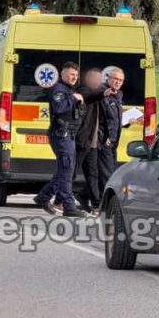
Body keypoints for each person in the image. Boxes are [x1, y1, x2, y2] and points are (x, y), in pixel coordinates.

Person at [34, 62, 88, 218]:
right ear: (63, 74)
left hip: (69, 135)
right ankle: (69, 206)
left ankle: (43, 197)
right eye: (71, 74)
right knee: (67, 170)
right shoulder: (58, 89)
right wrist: (73, 98)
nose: (74, 77)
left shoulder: (69, 90)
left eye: (76, 75)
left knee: (65, 171)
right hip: (61, 134)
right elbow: (59, 108)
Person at [74, 68, 110, 213]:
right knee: (72, 171)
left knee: (93, 173)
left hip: (94, 142)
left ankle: (96, 203)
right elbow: (89, 97)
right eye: (93, 78)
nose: (96, 81)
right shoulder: (83, 91)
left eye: (98, 79)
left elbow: (104, 118)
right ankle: (59, 199)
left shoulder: (100, 94)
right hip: (81, 140)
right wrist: (103, 93)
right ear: (87, 79)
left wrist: (105, 136)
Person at [97, 68, 126, 213]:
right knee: (108, 174)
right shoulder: (102, 93)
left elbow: (114, 118)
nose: (117, 82)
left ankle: (84, 195)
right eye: (115, 79)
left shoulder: (118, 95)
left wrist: (126, 121)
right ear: (108, 78)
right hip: (105, 139)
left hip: (114, 140)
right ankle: (106, 207)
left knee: (111, 171)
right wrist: (105, 137)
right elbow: (102, 119)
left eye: (120, 80)